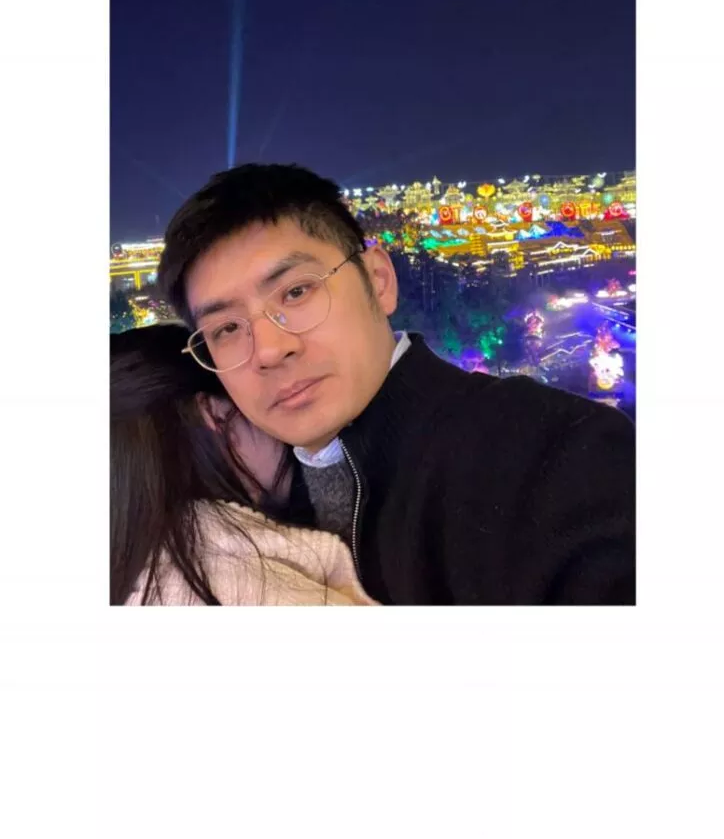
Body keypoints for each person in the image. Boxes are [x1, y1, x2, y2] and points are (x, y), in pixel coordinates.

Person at [157, 163, 636, 605]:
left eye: (296, 292)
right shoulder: (247, 519)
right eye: (226, 328)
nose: (267, 350)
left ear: (379, 280)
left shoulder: (554, 455)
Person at [111, 324, 376, 606]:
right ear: (215, 413)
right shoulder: (248, 585)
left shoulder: (130, 566)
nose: (282, 432)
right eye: (258, 403)